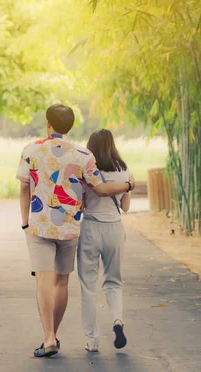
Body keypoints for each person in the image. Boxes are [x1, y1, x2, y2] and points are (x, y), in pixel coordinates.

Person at [16, 105, 134, 358]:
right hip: (69, 228)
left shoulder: (31, 149)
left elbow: (25, 188)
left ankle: (49, 337)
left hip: (39, 226)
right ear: (69, 127)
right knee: (61, 282)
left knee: (44, 283)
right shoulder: (83, 154)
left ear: (49, 124)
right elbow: (100, 189)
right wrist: (128, 184)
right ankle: (56, 334)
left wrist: (25, 222)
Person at [78, 128, 131, 353]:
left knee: (88, 286)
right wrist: (127, 187)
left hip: (90, 228)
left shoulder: (87, 170)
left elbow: (80, 204)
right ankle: (117, 321)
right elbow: (125, 207)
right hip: (114, 230)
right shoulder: (124, 170)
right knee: (113, 281)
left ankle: (92, 341)